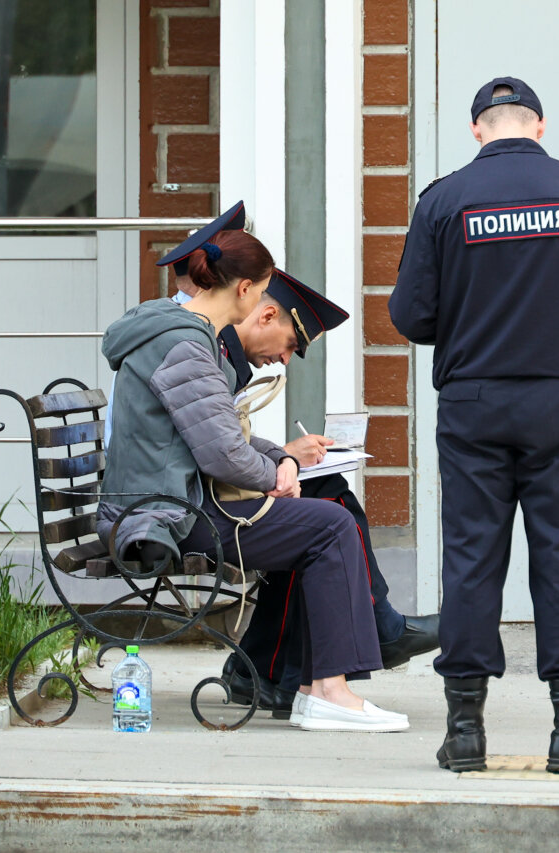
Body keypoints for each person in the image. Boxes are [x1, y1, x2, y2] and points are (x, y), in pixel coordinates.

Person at [390, 77, 559, 773]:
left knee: (471, 559)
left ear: (478, 129)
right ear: (538, 125)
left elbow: (411, 317)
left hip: (473, 403)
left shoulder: (443, 201)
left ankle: (464, 731)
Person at [100, 214, 407, 733]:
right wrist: (276, 475)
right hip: (164, 516)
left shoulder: (186, 336)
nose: (264, 300)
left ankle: (314, 689)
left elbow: (225, 434)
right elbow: (223, 454)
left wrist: (281, 460)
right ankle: (328, 692)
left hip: (169, 504)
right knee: (329, 527)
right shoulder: (186, 344)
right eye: (263, 290)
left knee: (321, 521)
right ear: (244, 289)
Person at [204, 269, 441, 719]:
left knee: (327, 491)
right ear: (265, 311)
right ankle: (365, 635)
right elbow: (215, 451)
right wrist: (280, 466)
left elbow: (219, 442)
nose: (286, 359)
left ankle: (264, 668)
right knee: (324, 516)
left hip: (192, 500)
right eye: (292, 344)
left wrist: (284, 458)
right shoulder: (201, 350)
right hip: (187, 510)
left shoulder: (212, 349)